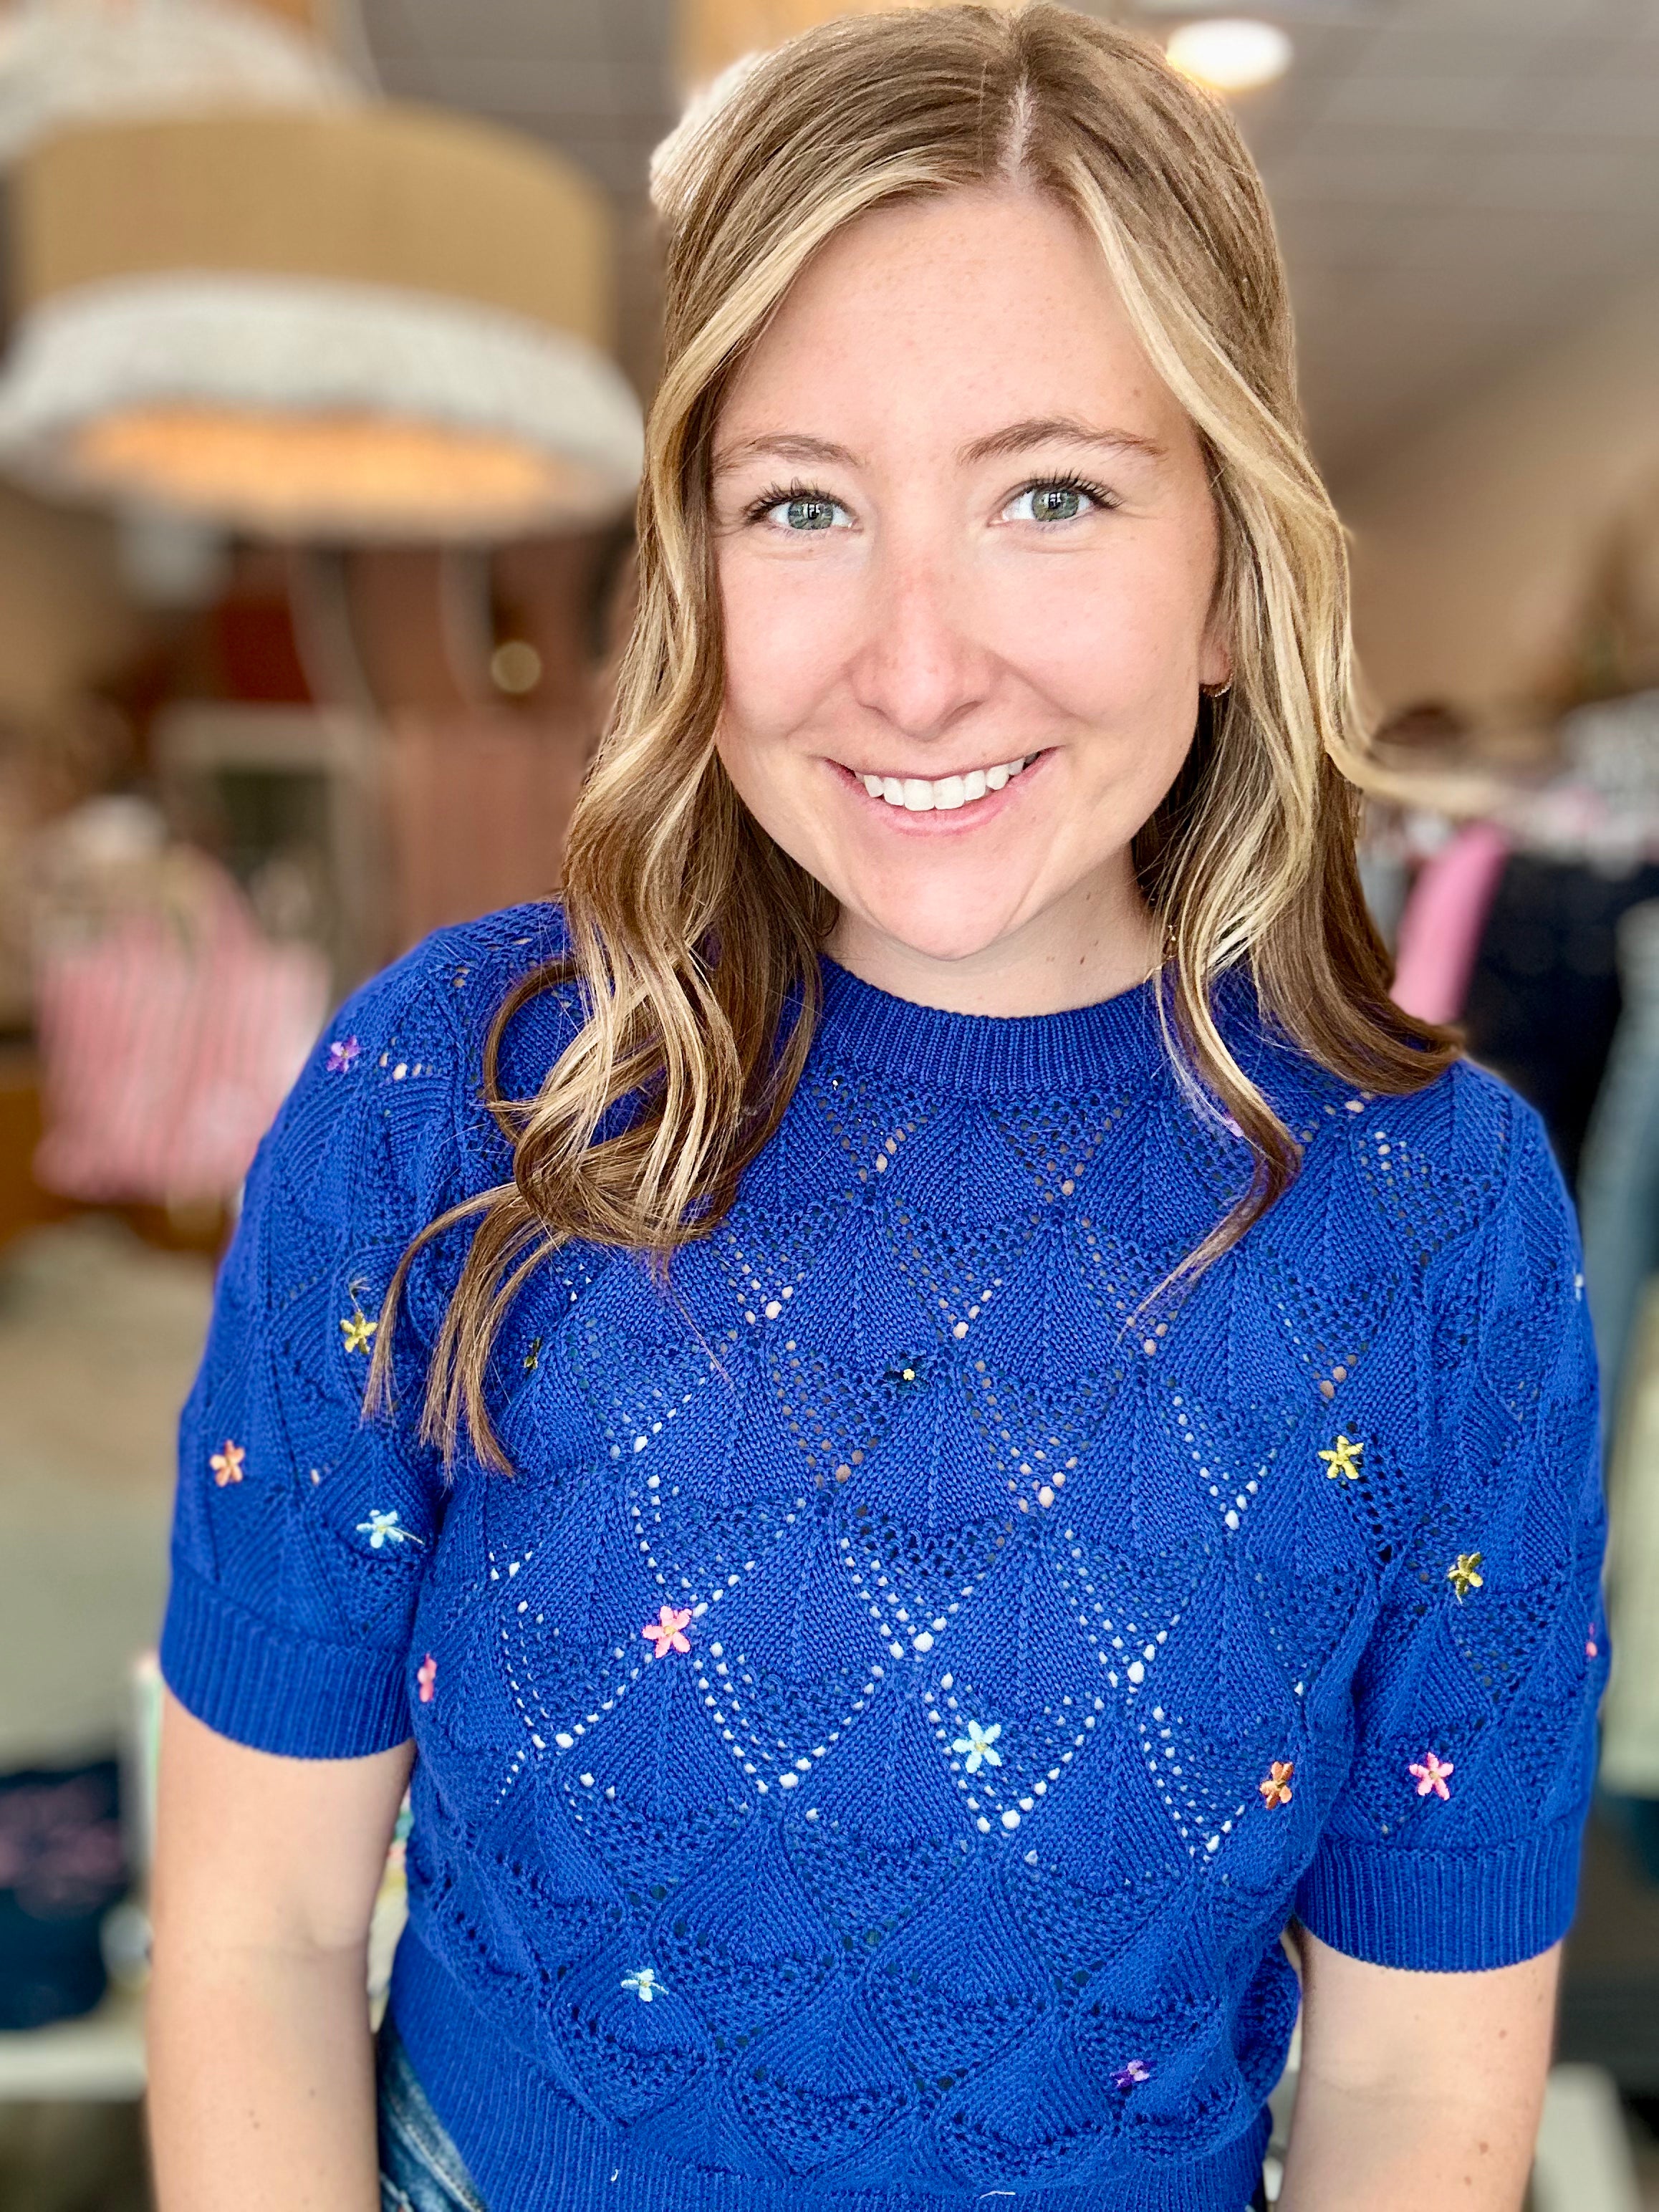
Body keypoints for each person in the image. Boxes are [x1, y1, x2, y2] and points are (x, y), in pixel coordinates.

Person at [145, 10, 1607, 2211]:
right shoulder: (450, 1093)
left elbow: (1411, 2089)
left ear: (1227, 571)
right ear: (694, 568)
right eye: (802, 504)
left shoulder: (1438, 1218)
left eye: (1051, 496)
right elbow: (256, 1931)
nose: (914, 670)